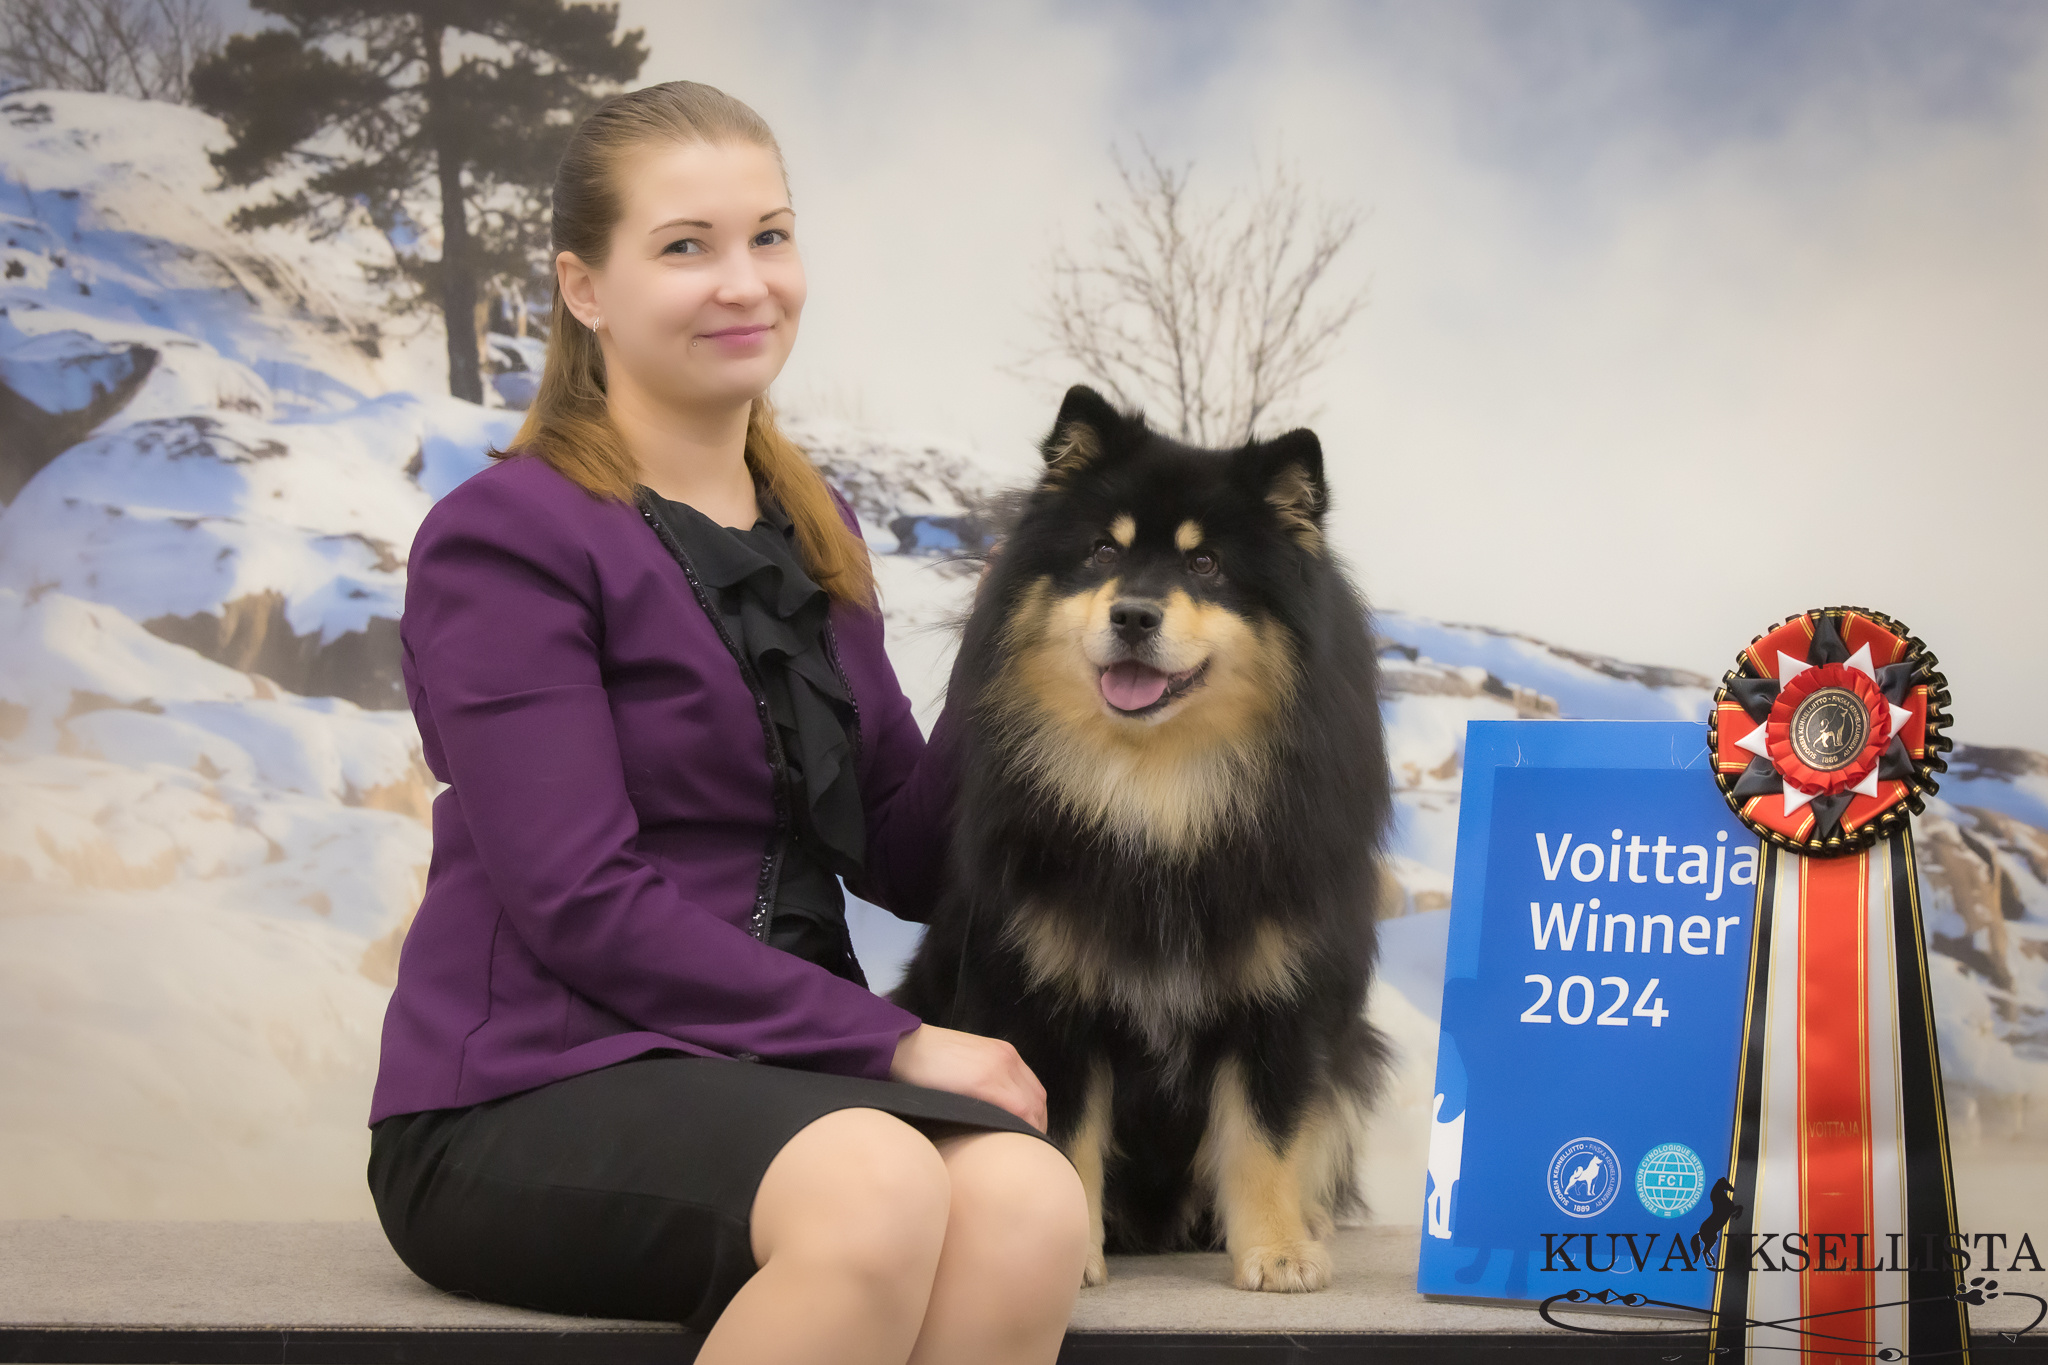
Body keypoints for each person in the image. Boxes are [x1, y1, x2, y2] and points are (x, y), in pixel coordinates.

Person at [365, 80, 1089, 1365]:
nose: (745, 282)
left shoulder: (812, 527)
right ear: (584, 288)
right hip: (525, 1086)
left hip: (780, 1081)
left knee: (1030, 1203)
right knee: (874, 1186)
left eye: (769, 235)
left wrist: (1006, 649)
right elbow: (579, 902)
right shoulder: (506, 537)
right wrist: (897, 1042)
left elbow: (906, 858)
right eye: (686, 247)